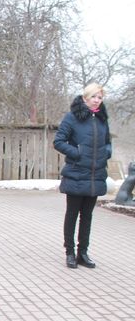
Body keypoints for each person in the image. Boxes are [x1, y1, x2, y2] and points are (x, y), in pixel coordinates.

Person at [54, 83, 111, 269]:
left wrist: (106, 153)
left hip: (96, 175)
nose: (97, 100)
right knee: (72, 215)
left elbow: (107, 142)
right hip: (76, 173)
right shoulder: (72, 117)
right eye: (93, 96)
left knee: (87, 216)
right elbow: (59, 141)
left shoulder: (102, 119)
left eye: (100, 97)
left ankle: (83, 253)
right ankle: (70, 252)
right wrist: (77, 153)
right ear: (85, 97)